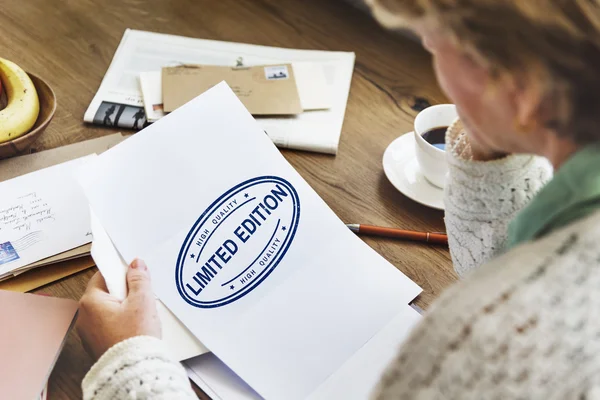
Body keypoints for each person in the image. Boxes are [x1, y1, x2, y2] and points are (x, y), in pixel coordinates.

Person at [77, 1, 600, 398]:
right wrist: (493, 142)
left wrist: (131, 365)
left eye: (434, 41)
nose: (429, 56)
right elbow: (523, 262)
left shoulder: (483, 343)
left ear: (521, 89)